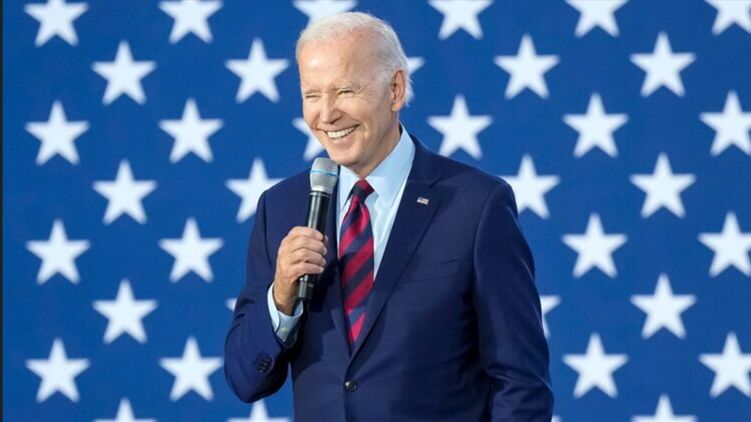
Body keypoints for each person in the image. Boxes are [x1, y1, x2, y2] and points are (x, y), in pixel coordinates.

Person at [224, 12, 553, 421]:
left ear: (394, 90)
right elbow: (245, 378)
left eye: (345, 91)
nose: (326, 114)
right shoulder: (281, 207)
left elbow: (521, 382)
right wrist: (281, 298)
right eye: (312, 95)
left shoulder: (476, 205)